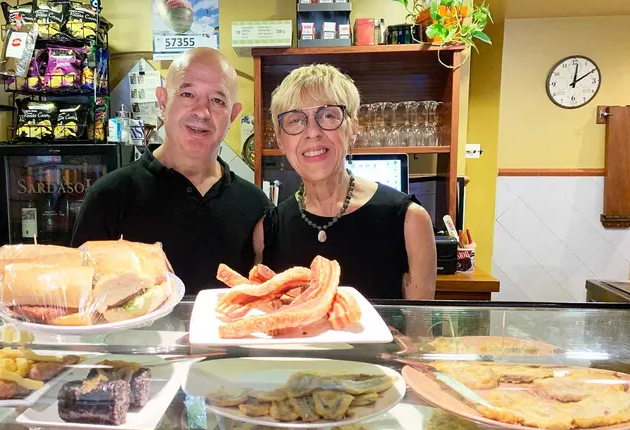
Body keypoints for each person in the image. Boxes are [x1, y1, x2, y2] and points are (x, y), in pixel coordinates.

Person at [71, 47, 272, 293]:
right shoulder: (108, 197)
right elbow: (79, 301)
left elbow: (264, 300)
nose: (202, 111)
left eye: (217, 100)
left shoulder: (255, 206)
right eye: (187, 94)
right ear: (163, 100)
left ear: (232, 115)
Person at [263, 64, 436, 300]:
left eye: (328, 115)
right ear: (280, 140)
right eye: (295, 120)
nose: (312, 132)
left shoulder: (409, 221)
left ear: (353, 129)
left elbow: (417, 332)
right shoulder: (269, 229)